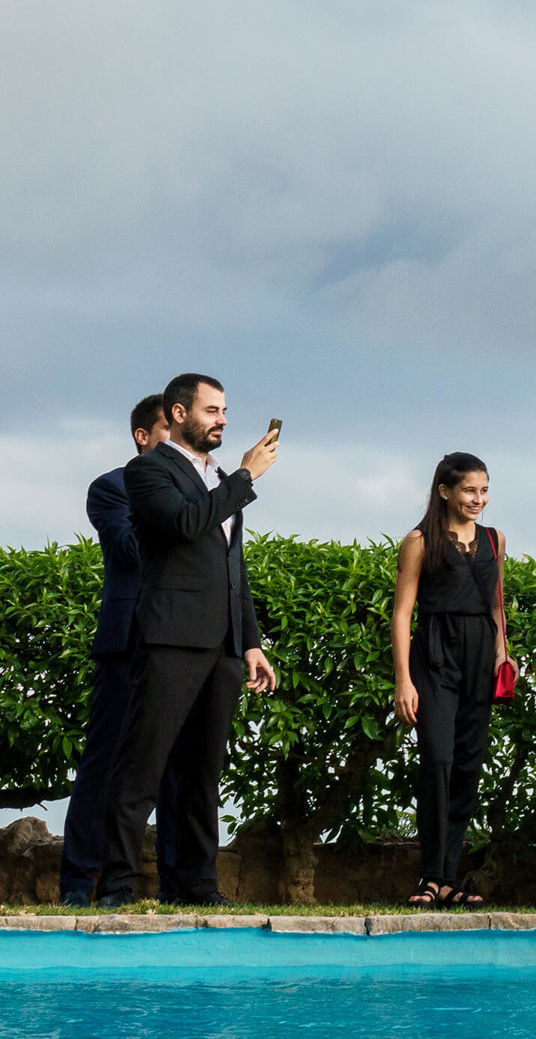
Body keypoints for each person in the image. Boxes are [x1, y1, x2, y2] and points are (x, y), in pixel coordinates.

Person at [95, 374, 280, 908]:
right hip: (169, 637)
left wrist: (249, 642)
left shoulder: (219, 476)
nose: (222, 419)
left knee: (202, 775)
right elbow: (185, 523)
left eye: (225, 410)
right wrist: (246, 475)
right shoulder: (148, 470)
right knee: (141, 768)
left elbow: (231, 567)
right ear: (178, 414)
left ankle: (197, 886)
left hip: (222, 646)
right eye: (211, 410)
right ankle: (117, 887)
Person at [60, 396, 193, 906]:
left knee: (176, 764)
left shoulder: (199, 489)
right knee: (105, 760)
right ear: (143, 436)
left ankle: (177, 886)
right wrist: (174, 515)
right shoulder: (110, 487)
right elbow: (130, 550)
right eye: (167, 429)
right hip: (125, 641)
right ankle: (77, 882)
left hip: (180, 642)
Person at [390, 453, 513, 909]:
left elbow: (496, 604)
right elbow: (402, 613)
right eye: (469, 491)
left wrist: (503, 651)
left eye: (483, 491)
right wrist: (403, 679)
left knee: (467, 766)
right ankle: (431, 874)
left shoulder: (495, 539)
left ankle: (446, 879)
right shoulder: (420, 541)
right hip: (435, 654)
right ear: (445, 491)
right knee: (438, 759)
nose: (478, 499)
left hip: (482, 655)